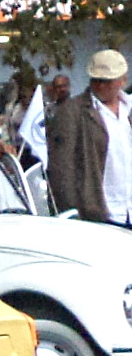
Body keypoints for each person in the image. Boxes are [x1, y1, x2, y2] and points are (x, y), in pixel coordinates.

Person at [46, 48, 132, 225]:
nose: (100, 86)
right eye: (96, 80)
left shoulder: (129, 109)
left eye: (107, 81)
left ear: (122, 81)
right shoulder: (72, 111)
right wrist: (71, 212)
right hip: (98, 213)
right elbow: (62, 167)